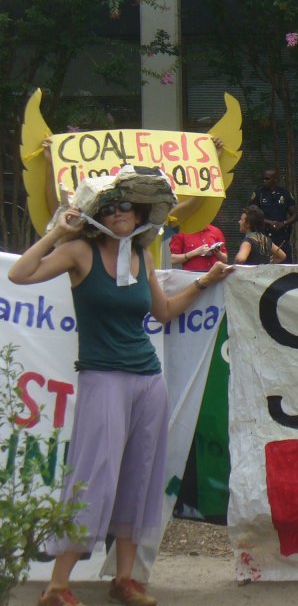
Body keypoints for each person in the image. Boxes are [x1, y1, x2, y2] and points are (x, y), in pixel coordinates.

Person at [7, 172, 233, 606]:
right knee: (93, 477)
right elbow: (20, 274)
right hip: (103, 377)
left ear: (140, 212)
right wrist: (59, 230)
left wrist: (206, 281)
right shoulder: (78, 251)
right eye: (109, 207)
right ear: (97, 216)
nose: (119, 213)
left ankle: (125, 579)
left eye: (126, 206)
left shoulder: (143, 256)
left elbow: (163, 312)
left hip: (148, 379)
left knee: (141, 476)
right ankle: (57, 585)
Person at [249, 169, 297, 263]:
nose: (264, 181)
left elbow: (295, 214)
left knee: (286, 265)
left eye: (267, 179)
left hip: (282, 238)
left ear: (275, 179)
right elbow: (251, 213)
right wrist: (268, 222)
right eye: (263, 178)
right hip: (264, 238)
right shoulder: (259, 193)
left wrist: (283, 223)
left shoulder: (284, 193)